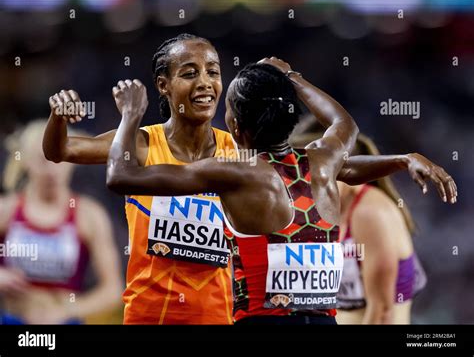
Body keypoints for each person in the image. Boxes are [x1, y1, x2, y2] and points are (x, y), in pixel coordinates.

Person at [106, 58, 456, 325]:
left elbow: (120, 176)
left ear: (235, 127)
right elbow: (344, 125)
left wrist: (130, 117)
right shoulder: (322, 162)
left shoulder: (229, 172)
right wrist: (292, 77)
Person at [44, 34, 237, 324]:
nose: (204, 83)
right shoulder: (142, 143)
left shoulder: (236, 151)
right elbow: (60, 150)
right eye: (189, 73)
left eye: (213, 71)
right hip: (149, 316)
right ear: (163, 85)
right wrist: (58, 116)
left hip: (217, 316)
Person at [290, 120, 433, 324]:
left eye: (315, 177)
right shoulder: (312, 212)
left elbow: (383, 313)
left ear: (344, 170)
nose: (304, 188)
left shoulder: (371, 213)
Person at [0, 120, 122, 324]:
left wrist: (66, 311)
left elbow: (113, 289)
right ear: (26, 161)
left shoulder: (89, 215)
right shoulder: (6, 209)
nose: (52, 170)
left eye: (60, 159)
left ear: (72, 159)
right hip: (12, 319)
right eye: (43, 159)